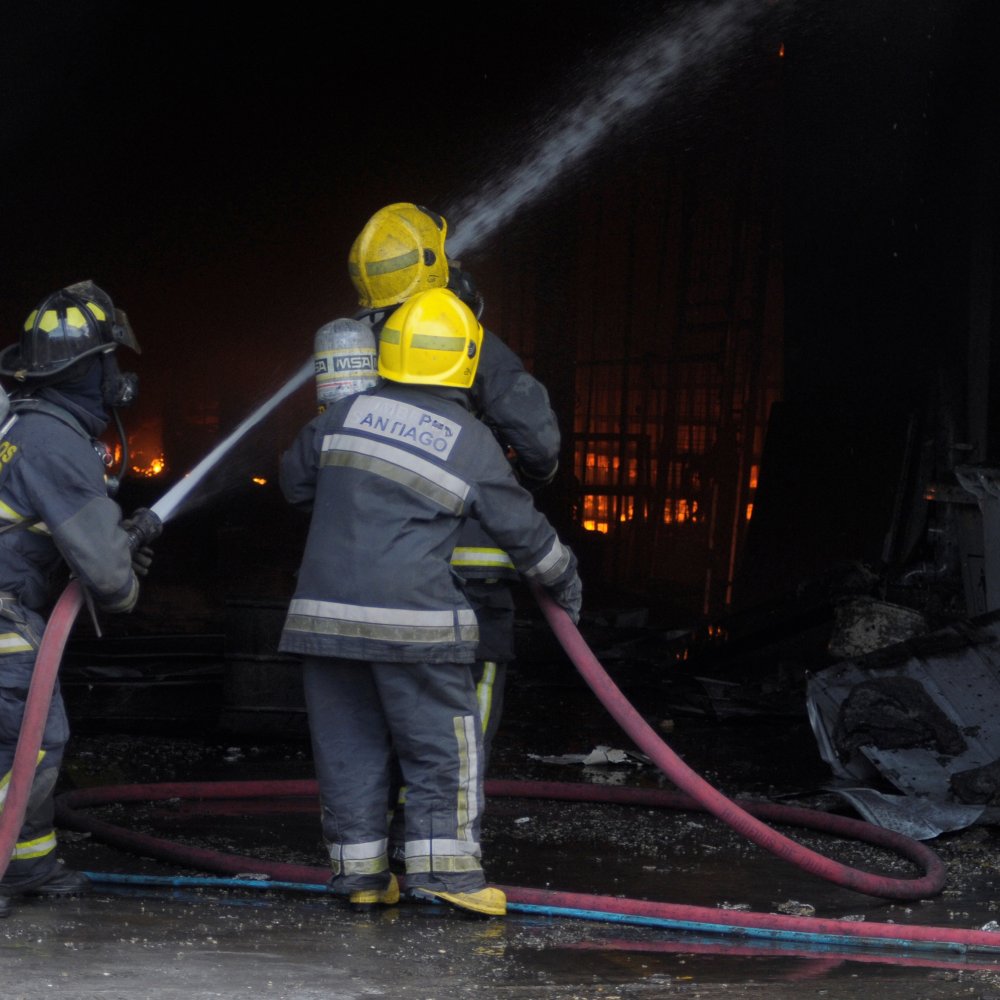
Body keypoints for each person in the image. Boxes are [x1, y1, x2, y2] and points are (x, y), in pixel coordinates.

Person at [278, 287, 582, 917]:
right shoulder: (469, 439)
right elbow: (521, 528)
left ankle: (361, 878)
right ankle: (448, 874)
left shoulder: (344, 413)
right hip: (414, 625)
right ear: (465, 362)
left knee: (350, 747)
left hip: (323, 625)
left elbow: (294, 483)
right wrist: (565, 579)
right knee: (443, 742)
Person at [348, 202, 560, 793]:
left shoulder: (350, 349)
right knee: (461, 721)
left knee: (372, 718)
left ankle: (380, 845)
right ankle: (445, 849)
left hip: (365, 573)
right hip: (468, 577)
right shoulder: (460, 336)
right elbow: (538, 441)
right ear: (434, 265)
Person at [0, 281, 160, 919]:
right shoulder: (55, 445)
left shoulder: (24, 427)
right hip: (5, 618)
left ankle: (25, 864)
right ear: (90, 369)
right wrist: (125, 554)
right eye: (110, 360)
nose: (117, 375)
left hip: (15, 609)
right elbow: (113, 587)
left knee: (32, 738)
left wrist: (114, 541)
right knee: (25, 741)